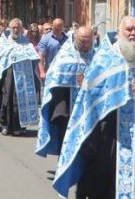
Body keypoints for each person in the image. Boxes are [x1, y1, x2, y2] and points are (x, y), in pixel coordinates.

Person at [52, 16, 135, 199]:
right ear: (119, 32)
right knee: (102, 186)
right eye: (129, 29)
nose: (133, 33)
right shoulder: (104, 60)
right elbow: (88, 102)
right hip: (109, 138)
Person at [36, 26, 95, 157]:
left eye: (87, 41)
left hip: (90, 108)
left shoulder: (97, 58)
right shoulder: (64, 56)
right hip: (66, 107)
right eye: (81, 41)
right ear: (75, 39)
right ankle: (64, 167)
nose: (84, 44)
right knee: (66, 139)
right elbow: (53, 79)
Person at [0, 19, 39, 136]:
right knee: (6, 100)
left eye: (18, 27)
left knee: (19, 101)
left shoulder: (26, 43)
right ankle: (5, 125)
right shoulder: (4, 43)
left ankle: (20, 126)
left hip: (23, 76)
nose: (15, 29)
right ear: (9, 28)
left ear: (22, 29)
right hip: (8, 75)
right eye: (13, 27)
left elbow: (33, 58)